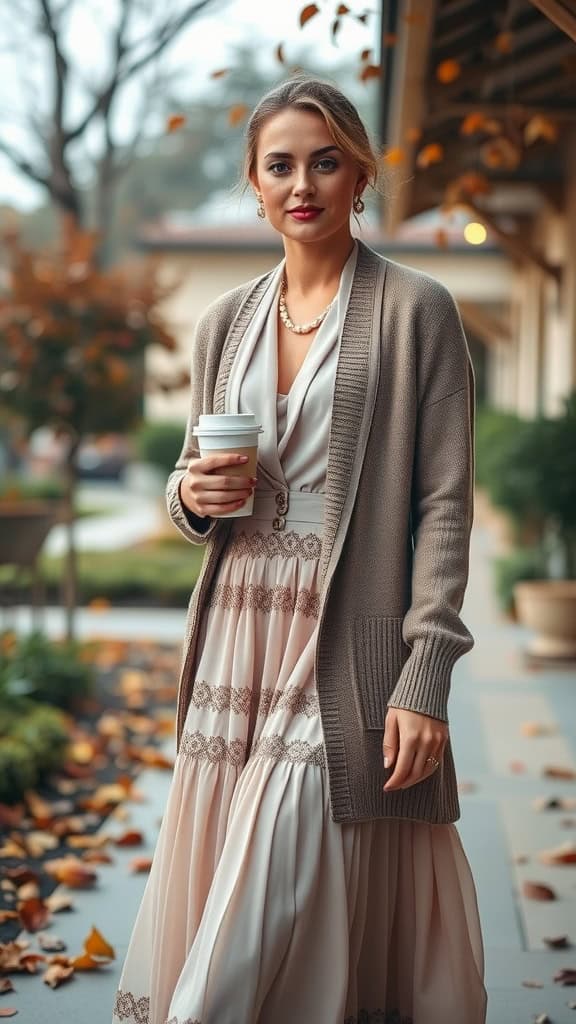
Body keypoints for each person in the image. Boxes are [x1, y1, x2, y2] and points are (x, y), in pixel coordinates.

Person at [112, 76, 487, 1024]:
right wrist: (187, 495)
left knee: (284, 859)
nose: (303, 182)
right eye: (280, 164)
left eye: (325, 161)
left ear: (359, 171)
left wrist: (424, 674)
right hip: (239, 633)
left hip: (344, 633)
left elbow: (444, 506)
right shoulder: (223, 324)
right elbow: (201, 481)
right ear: (254, 180)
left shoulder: (418, 311)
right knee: (256, 869)